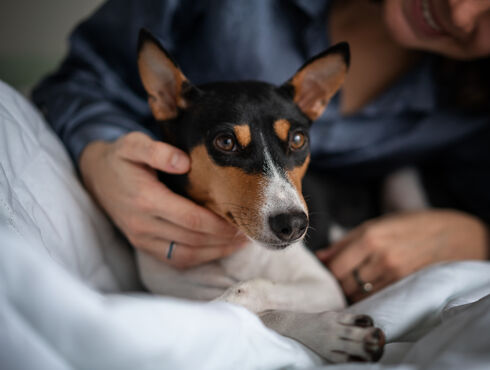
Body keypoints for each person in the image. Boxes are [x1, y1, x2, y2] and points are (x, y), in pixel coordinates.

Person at [32, 0, 490, 303]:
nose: (461, 10)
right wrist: (99, 154)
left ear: (316, 101)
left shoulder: (476, 113)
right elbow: (78, 78)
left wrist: (477, 237)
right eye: (228, 144)